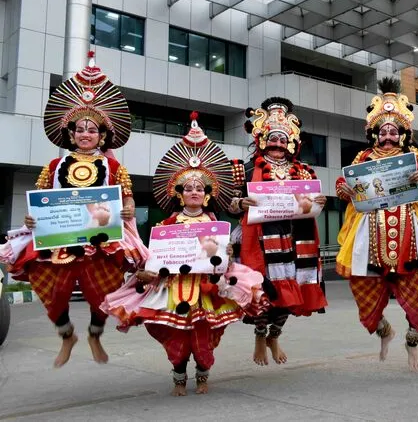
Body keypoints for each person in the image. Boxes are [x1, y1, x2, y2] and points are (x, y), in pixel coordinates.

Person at [102, 112, 270, 395]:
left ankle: (203, 374)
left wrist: (227, 253)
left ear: (207, 195)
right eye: (188, 188)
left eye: (199, 188)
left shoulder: (216, 225)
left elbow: (222, 263)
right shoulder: (165, 226)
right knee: (177, 339)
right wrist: (144, 271)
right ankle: (179, 376)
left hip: (207, 291)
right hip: (173, 290)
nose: (193, 192)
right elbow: (151, 257)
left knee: (205, 339)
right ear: (179, 194)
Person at [0, 52, 147, 367]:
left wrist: (129, 209)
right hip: (61, 239)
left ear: (102, 135)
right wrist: (31, 219)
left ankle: (94, 335)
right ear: (70, 134)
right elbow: (40, 200)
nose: (85, 134)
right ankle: (67, 336)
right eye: (79, 129)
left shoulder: (113, 165)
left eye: (92, 130)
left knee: (103, 296)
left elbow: (128, 198)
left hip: (101, 239)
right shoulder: (55, 165)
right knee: (55, 293)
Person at [336, 77, 418, 372]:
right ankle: (384, 331)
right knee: (362, 286)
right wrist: (344, 191)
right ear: (375, 134)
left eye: (393, 130)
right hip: (369, 234)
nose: (388, 135)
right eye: (383, 130)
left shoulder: (415, 157)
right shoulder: (364, 157)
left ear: (403, 134)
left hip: (411, 232)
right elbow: (343, 182)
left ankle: (413, 342)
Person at [230, 98, 327, 366]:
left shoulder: (305, 171)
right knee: (264, 291)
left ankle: (275, 335)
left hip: (297, 238)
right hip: (260, 238)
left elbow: (312, 202)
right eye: (272, 137)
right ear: (262, 139)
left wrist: (320, 202)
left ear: (291, 143)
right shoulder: (245, 169)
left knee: (291, 293)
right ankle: (260, 335)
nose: (277, 143)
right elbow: (224, 203)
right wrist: (239, 203)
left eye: (283, 139)